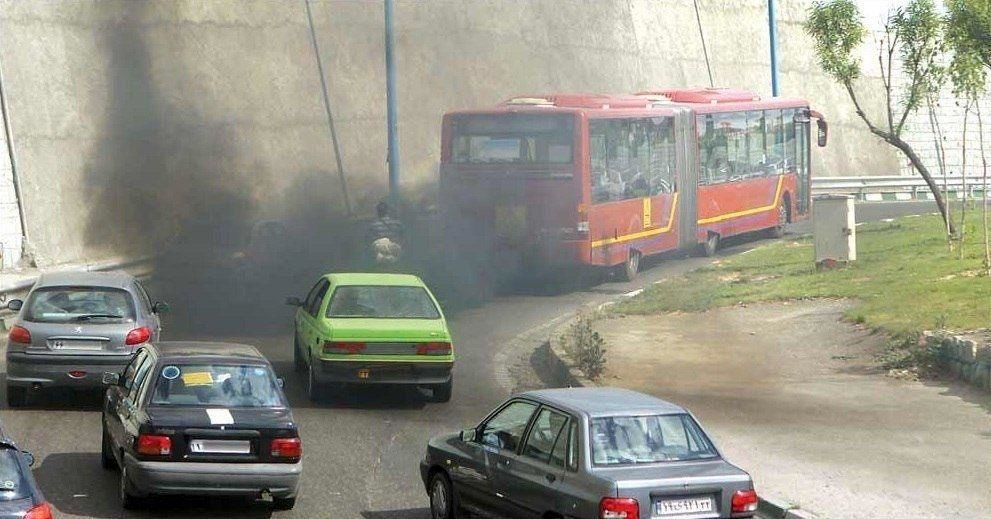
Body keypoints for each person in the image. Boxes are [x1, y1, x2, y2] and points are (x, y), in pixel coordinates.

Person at [367, 201, 405, 267]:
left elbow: (369, 242)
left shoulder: (373, 226)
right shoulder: (397, 224)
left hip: (380, 257)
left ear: (378, 212)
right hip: (395, 254)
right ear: (388, 211)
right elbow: (403, 239)